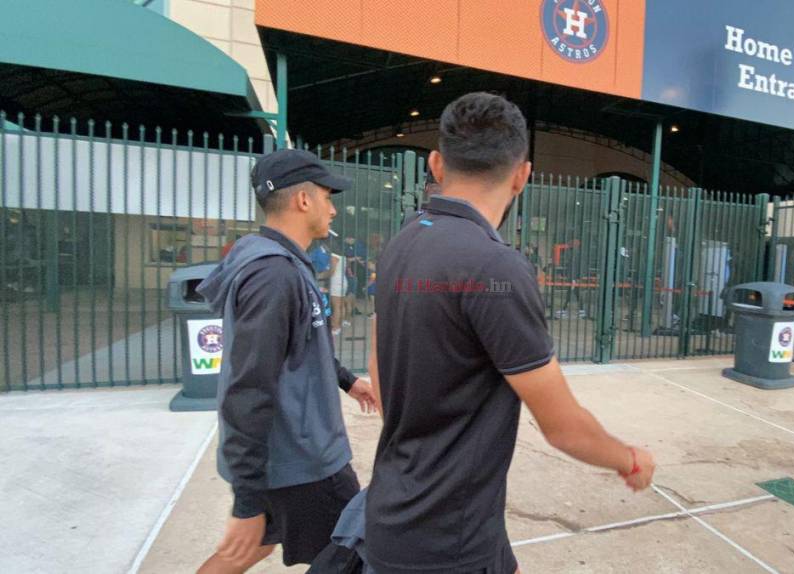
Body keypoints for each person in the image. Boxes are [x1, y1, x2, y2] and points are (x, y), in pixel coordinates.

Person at [365, 92, 655, 574]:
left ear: (436, 164)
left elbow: (379, 359)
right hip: (445, 542)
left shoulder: (403, 241)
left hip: (412, 512)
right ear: (522, 175)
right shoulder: (494, 267)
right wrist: (629, 459)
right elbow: (562, 427)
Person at [195, 149, 378, 573]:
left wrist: (349, 382)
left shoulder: (281, 264)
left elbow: (297, 347)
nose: (333, 208)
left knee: (248, 548)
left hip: (288, 458)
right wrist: (247, 499)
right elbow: (248, 389)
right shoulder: (273, 275)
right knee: (354, 548)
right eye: (328, 197)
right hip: (303, 462)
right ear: (303, 200)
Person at [329, 250, 350, 334]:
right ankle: (339, 325)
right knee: (341, 305)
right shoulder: (343, 257)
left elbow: (332, 271)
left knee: (336, 306)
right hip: (343, 280)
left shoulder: (334, 255)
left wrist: (322, 275)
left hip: (336, 281)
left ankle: (335, 328)